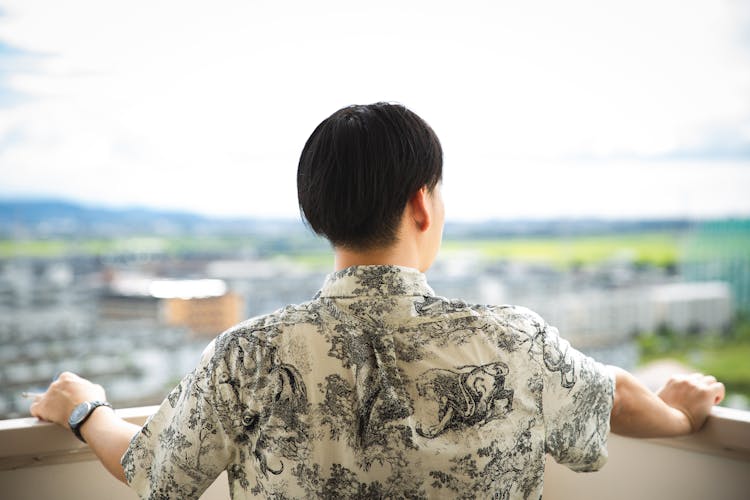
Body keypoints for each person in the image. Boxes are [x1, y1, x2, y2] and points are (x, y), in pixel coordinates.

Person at [30, 102, 725, 499]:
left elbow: (152, 470)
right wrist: (677, 414)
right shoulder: (515, 341)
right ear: (423, 203)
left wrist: (84, 407)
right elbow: (612, 393)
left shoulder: (249, 352)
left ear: (317, 215)